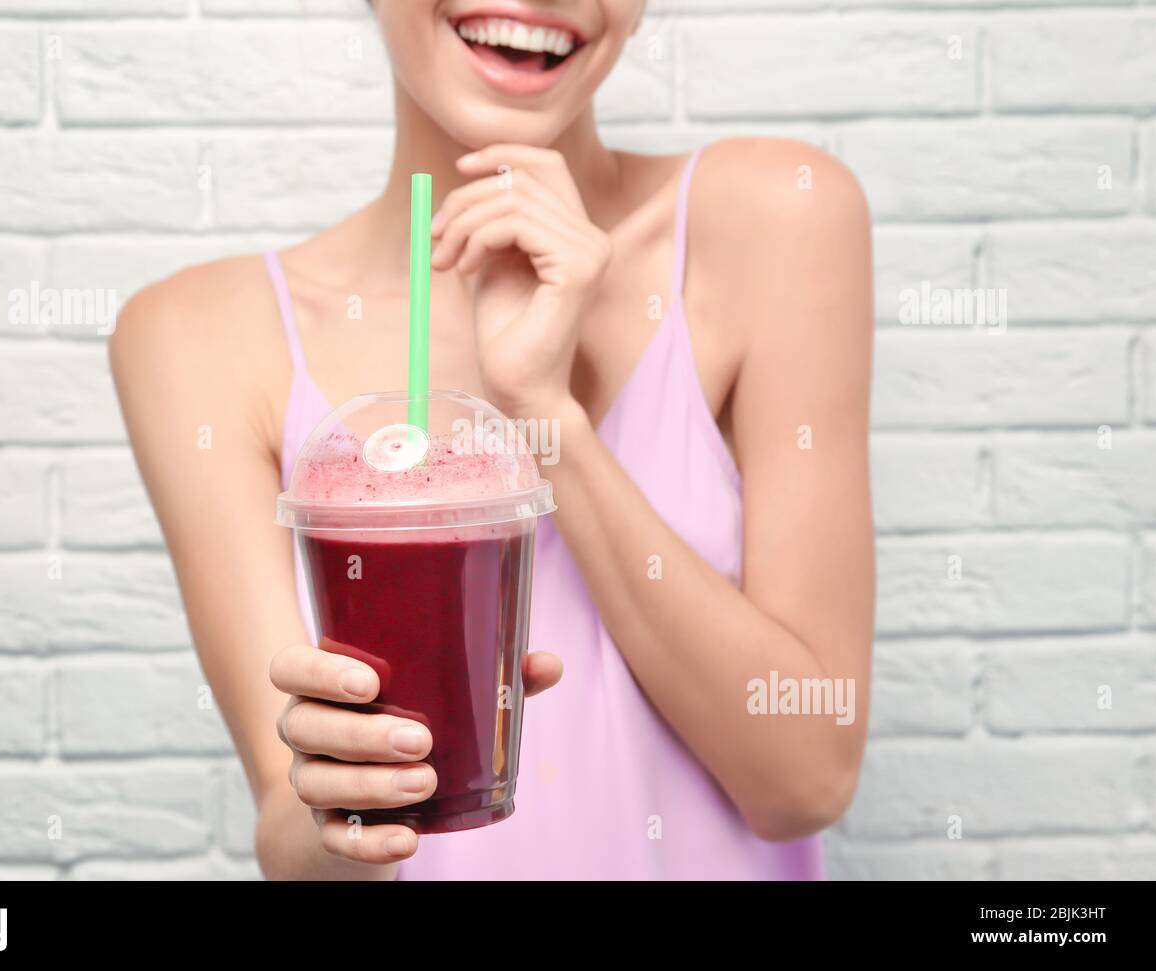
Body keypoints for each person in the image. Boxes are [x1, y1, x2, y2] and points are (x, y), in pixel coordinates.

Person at [111, 0, 875, 880]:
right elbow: (296, 837)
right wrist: (342, 807)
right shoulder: (198, 335)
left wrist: (545, 412)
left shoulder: (772, 218)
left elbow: (805, 781)